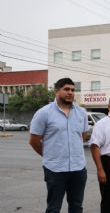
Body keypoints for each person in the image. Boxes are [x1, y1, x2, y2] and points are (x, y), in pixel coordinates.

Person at [29, 78, 89, 213]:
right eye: (66, 89)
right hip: (55, 170)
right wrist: (49, 155)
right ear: (57, 91)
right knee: (53, 208)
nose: (70, 92)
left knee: (76, 206)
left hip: (78, 168)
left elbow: (84, 135)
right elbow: (34, 140)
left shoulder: (81, 113)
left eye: (73, 90)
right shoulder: (44, 113)